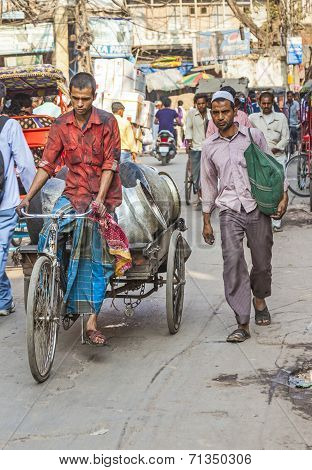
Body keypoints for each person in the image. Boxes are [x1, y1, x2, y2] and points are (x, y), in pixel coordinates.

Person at [17, 72, 124, 346]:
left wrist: (99, 200)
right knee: (49, 231)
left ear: (94, 97)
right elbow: (47, 165)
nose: (79, 103)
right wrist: (28, 196)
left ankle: (90, 322)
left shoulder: (108, 122)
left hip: (102, 195)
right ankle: (54, 285)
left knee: (87, 240)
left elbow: (110, 164)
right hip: (72, 193)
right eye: (75, 98)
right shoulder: (60, 124)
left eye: (84, 99)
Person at [201, 90, 288, 343]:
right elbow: (207, 182)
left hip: (257, 207)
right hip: (229, 210)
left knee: (261, 263)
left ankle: (259, 299)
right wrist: (207, 219)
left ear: (235, 110)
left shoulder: (253, 136)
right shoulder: (209, 147)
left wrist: (283, 197)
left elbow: (273, 168)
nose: (220, 117)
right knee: (233, 263)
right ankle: (242, 321)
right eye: (215, 113)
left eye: (224, 111)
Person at [0, 82, 36, 316]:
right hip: (6, 204)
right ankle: (4, 300)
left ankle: (3, 301)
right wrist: (35, 194)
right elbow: (25, 164)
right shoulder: (9, 125)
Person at [249, 91, 289, 232]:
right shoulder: (253, 118)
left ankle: (277, 221)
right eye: (263, 103)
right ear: (259, 103)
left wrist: (275, 149)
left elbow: (286, 138)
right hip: (260, 158)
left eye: (268, 103)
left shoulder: (281, 117)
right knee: (260, 187)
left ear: (273, 103)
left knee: (278, 188)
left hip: (277, 157)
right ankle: (262, 217)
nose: (266, 106)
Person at [185, 93, 209, 210]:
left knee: (209, 174)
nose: (201, 106)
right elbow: (188, 128)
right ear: (196, 104)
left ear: (207, 103)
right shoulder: (191, 114)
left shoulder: (211, 113)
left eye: (203, 103)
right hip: (196, 148)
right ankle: (199, 196)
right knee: (197, 174)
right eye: (198, 104)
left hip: (210, 148)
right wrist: (188, 142)